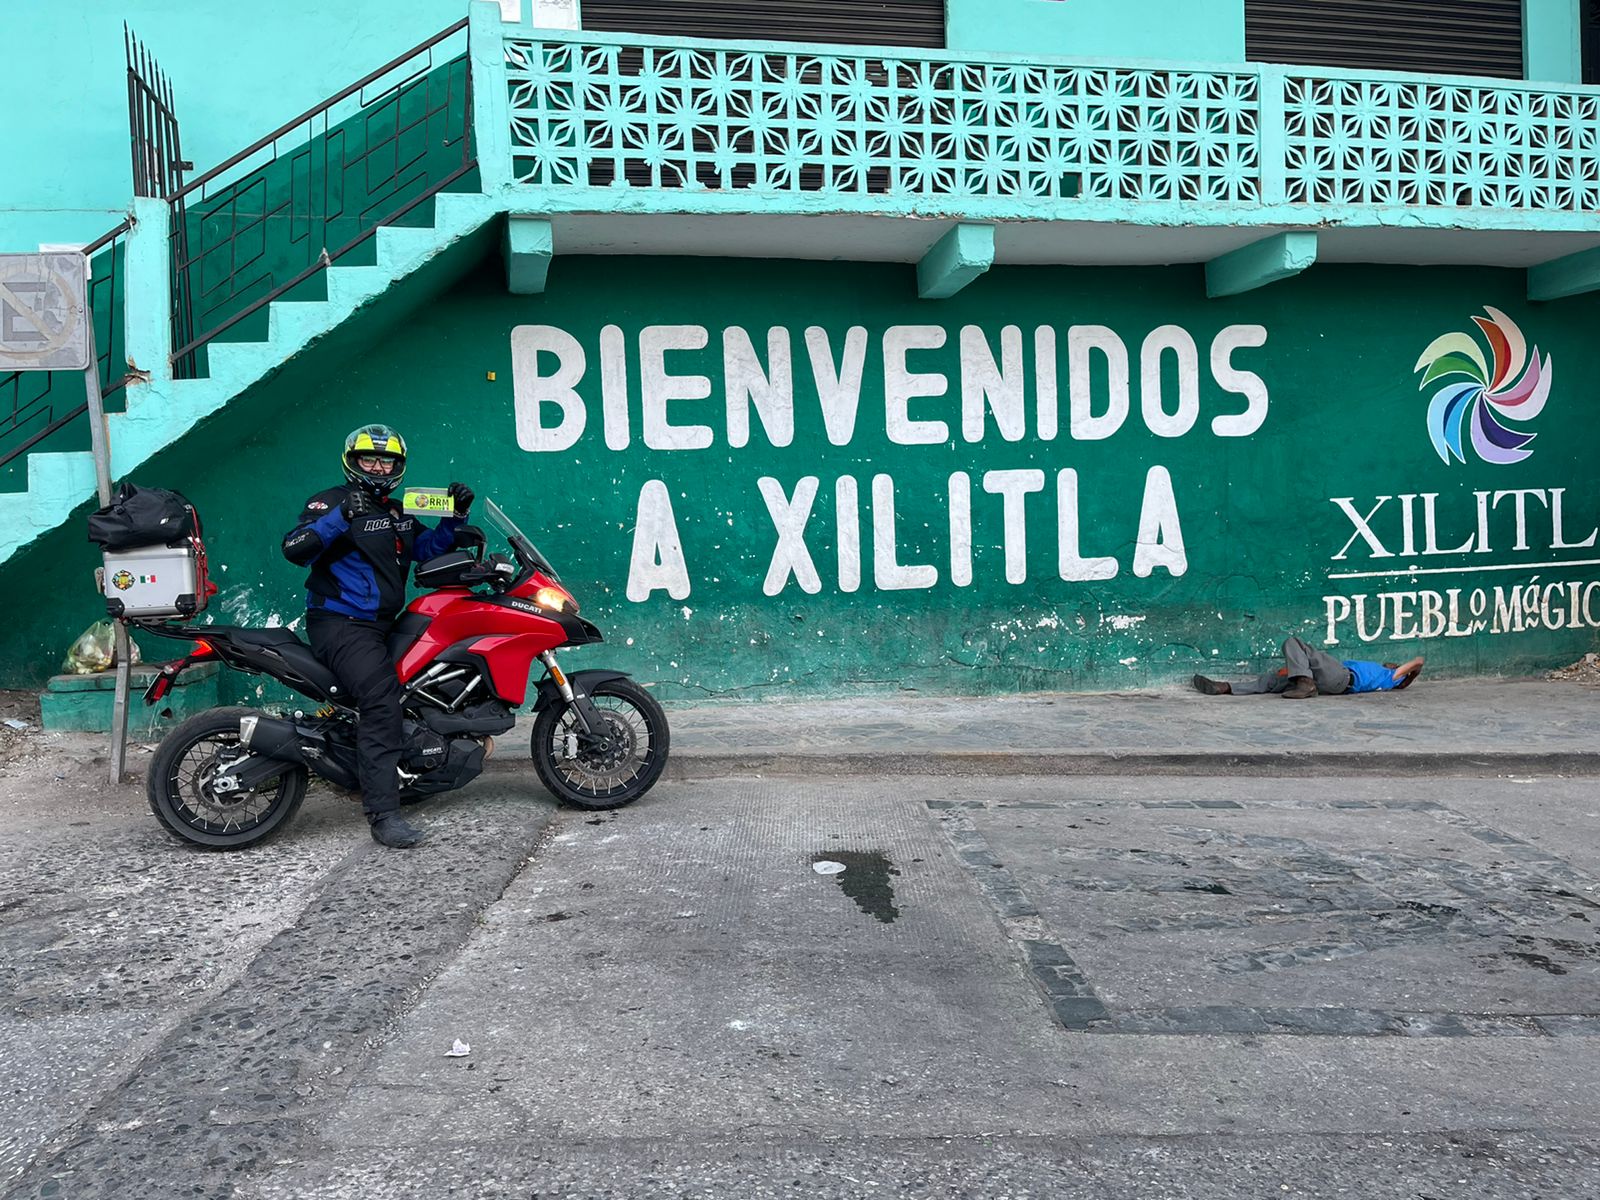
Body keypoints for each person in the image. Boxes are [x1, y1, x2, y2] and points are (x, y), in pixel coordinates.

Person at [281, 424, 474, 848]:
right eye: (370, 459)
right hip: (340, 625)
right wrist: (340, 517)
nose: (378, 466)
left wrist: (455, 517)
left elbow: (426, 549)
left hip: (382, 624)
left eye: (387, 460)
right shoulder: (330, 501)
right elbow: (295, 548)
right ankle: (384, 814)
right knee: (381, 702)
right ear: (353, 461)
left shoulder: (399, 511)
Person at [1192, 636, 1423, 699]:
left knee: (1295, 643)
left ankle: (1305, 682)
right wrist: (1295, 670)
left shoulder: (1387, 677)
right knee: (1273, 681)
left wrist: (1410, 672)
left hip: (1342, 678)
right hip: (1329, 684)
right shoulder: (1380, 676)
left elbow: (1417, 662)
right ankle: (1225, 687)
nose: (1393, 664)